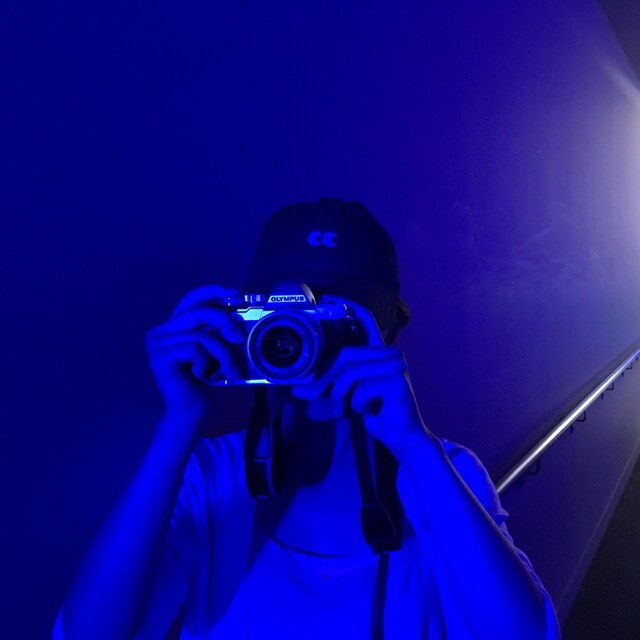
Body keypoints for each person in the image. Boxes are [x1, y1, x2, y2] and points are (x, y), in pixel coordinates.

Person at [53, 198, 561, 639]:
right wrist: (177, 426)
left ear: (383, 335)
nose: (311, 347)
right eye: (291, 324)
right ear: (250, 328)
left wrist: (413, 446)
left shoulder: (443, 472)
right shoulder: (207, 476)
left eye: (335, 324)